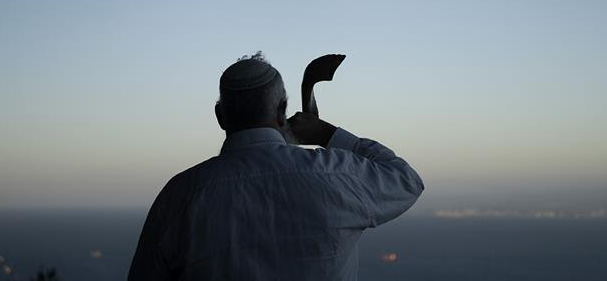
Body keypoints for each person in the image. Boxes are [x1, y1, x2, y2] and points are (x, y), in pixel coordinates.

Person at [128, 52, 424, 281]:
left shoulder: (181, 195)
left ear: (220, 116)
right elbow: (405, 180)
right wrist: (325, 133)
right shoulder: (335, 176)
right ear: (282, 111)